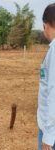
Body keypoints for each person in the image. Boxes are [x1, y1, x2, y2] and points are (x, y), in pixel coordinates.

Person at [37, 3, 55, 150]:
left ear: (46, 25)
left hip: (52, 133)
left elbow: (53, 93)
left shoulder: (54, 51)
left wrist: (49, 135)